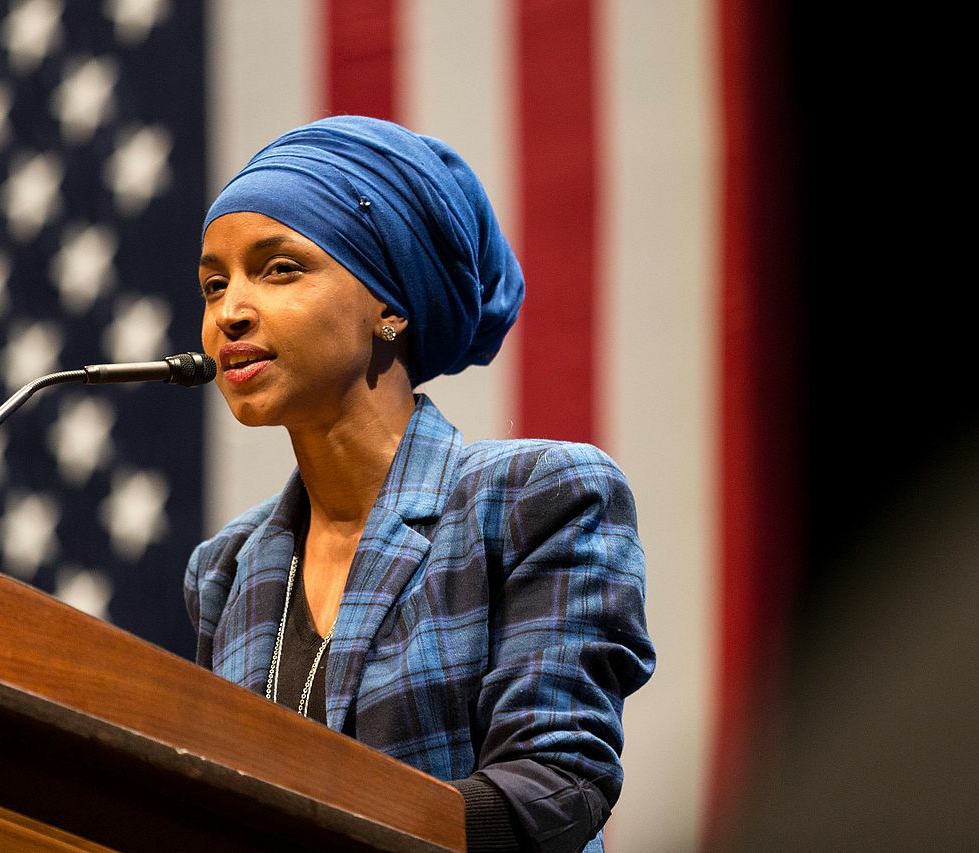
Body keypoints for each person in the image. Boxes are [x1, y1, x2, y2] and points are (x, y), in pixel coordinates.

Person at [184, 115, 654, 853]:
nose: (230, 313)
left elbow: (557, 787)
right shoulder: (224, 568)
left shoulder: (538, 497)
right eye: (215, 285)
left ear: (390, 306)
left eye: (279, 269)